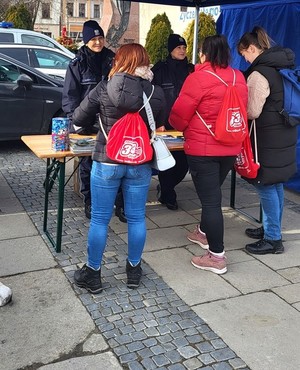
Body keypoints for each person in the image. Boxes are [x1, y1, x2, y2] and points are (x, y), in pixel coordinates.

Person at [71, 43, 165, 293]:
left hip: (107, 160)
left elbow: (78, 119)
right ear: (145, 62)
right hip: (140, 162)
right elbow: (163, 120)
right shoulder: (155, 91)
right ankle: (133, 271)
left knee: (100, 220)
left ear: (119, 61)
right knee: (136, 218)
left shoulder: (104, 87)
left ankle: (93, 274)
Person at [169, 35, 248, 274]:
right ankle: (203, 232)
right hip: (231, 145)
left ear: (204, 54)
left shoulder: (198, 78)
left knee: (211, 201)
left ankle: (216, 256)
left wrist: (174, 125)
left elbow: (179, 115)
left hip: (204, 148)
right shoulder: (239, 76)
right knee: (212, 193)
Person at [237, 26, 297, 255]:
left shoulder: (260, 73)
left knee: (265, 183)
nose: (244, 58)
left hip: (267, 138)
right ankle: (272, 229)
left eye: (244, 54)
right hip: (284, 132)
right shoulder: (283, 66)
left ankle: (273, 239)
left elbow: (252, 110)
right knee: (276, 183)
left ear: (252, 48)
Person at [62, 20, 125, 222]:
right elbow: (70, 96)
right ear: (86, 40)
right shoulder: (77, 63)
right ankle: (90, 200)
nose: (98, 42)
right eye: (93, 39)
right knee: (88, 162)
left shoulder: (113, 59)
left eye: (100, 38)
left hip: (112, 121)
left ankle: (119, 202)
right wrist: (75, 122)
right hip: (87, 123)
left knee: (117, 161)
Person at [151, 34, 193, 210]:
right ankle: (168, 196)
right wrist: (157, 121)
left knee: (183, 164)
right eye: (178, 48)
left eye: (184, 48)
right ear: (171, 50)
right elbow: (154, 97)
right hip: (165, 124)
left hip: (186, 124)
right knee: (167, 162)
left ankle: (166, 188)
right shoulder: (160, 70)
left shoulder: (191, 70)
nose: (182, 50)